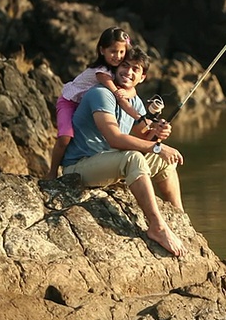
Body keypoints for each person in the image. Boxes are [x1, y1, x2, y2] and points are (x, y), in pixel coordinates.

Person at [61, 46, 187, 257]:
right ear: (115, 68)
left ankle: (181, 220)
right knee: (134, 158)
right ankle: (157, 227)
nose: (128, 71)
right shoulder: (100, 94)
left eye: (135, 69)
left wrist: (158, 134)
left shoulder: (134, 102)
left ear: (142, 77)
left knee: (166, 162)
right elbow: (115, 138)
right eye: (124, 65)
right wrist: (157, 147)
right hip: (80, 166)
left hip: (108, 163)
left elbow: (142, 137)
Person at [45, 27, 142, 180]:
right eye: (113, 51)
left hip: (84, 101)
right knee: (65, 138)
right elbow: (117, 94)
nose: (117, 56)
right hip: (69, 101)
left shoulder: (118, 68)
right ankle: (52, 171)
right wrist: (127, 100)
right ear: (102, 50)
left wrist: (130, 97)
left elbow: (132, 91)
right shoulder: (101, 71)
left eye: (121, 52)